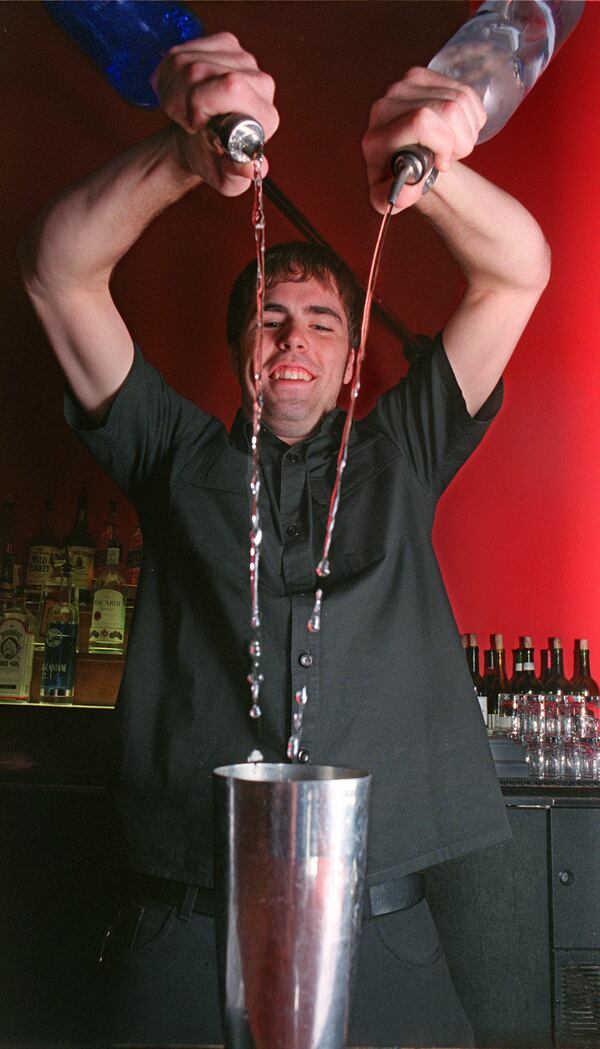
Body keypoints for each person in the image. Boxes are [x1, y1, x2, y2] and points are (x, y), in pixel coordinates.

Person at [20, 31, 550, 1049]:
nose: (292, 338)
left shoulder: (405, 447)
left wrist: (433, 173)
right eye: (269, 318)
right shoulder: (171, 450)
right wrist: (183, 158)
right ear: (239, 350)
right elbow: (58, 273)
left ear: (352, 358)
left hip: (383, 925)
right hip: (183, 921)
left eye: (318, 320)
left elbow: (517, 273)